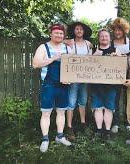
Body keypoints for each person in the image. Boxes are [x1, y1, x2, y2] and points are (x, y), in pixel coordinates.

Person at [32, 23, 72, 153]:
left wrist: (70, 79)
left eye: (61, 33)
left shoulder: (68, 49)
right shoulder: (43, 47)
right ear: (51, 34)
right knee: (46, 112)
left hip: (63, 86)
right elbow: (36, 64)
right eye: (56, 33)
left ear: (64, 35)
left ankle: (60, 136)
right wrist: (53, 58)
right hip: (49, 85)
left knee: (61, 111)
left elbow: (73, 68)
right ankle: (45, 139)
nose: (59, 35)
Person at [90, 28, 121, 143]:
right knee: (97, 107)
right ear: (99, 38)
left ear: (110, 38)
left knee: (109, 108)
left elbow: (122, 66)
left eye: (106, 36)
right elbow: (85, 65)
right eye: (102, 36)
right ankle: (98, 130)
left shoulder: (115, 50)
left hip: (111, 85)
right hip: (96, 85)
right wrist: (94, 56)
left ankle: (107, 132)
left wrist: (117, 58)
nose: (104, 38)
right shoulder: (93, 50)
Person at [64, 22, 93, 140]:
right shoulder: (70, 43)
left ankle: (83, 123)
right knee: (71, 102)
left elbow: (92, 59)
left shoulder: (88, 44)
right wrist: (65, 41)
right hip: (73, 78)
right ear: (74, 31)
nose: (79, 31)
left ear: (84, 31)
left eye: (81, 29)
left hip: (85, 78)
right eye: (77, 29)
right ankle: (69, 127)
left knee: (83, 101)